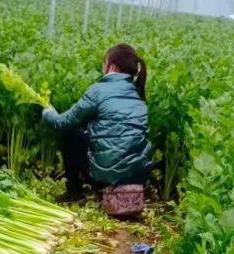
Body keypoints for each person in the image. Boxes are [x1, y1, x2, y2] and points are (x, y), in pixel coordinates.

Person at [42, 43, 153, 204]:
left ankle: (75, 193)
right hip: (137, 178)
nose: (103, 68)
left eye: (104, 64)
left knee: (70, 132)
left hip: (107, 175)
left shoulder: (98, 90)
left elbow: (63, 122)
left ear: (112, 67)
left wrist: (47, 112)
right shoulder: (138, 94)